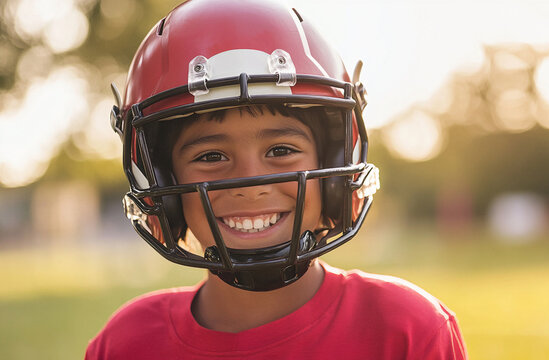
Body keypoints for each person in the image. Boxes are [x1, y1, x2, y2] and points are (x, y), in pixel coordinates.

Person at [86, 0, 467, 358]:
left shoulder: (408, 330)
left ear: (335, 165)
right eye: (211, 157)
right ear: (159, 180)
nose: (251, 184)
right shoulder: (126, 344)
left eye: (281, 150)